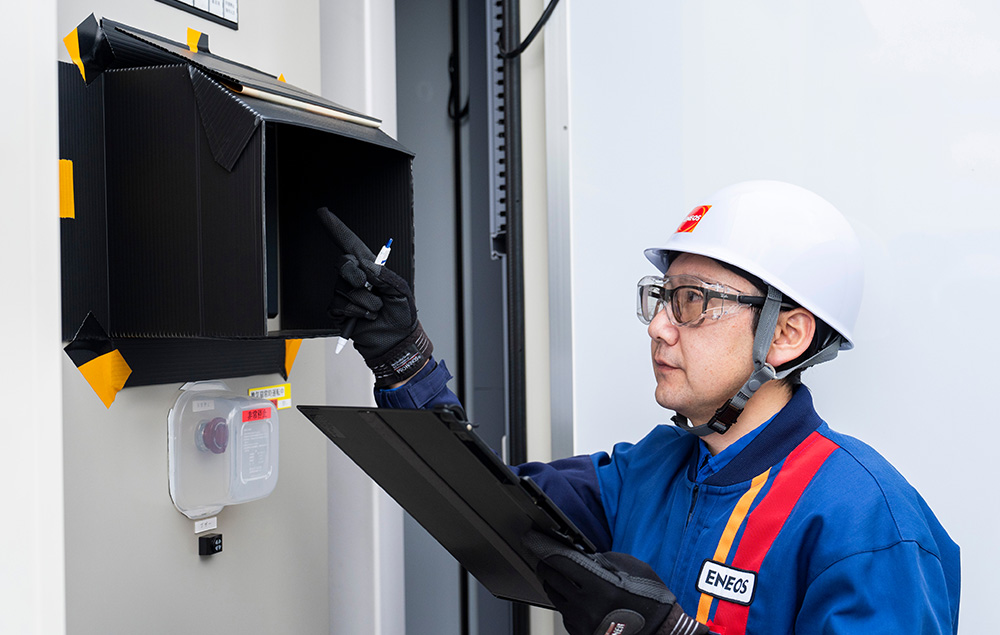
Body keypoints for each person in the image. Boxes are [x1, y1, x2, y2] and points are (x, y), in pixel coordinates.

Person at [317, 180, 961, 635]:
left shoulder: (866, 522)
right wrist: (404, 359)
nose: (658, 327)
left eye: (693, 301)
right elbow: (491, 509)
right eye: (661, 297)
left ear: (786, 334)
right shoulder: (649, 470)